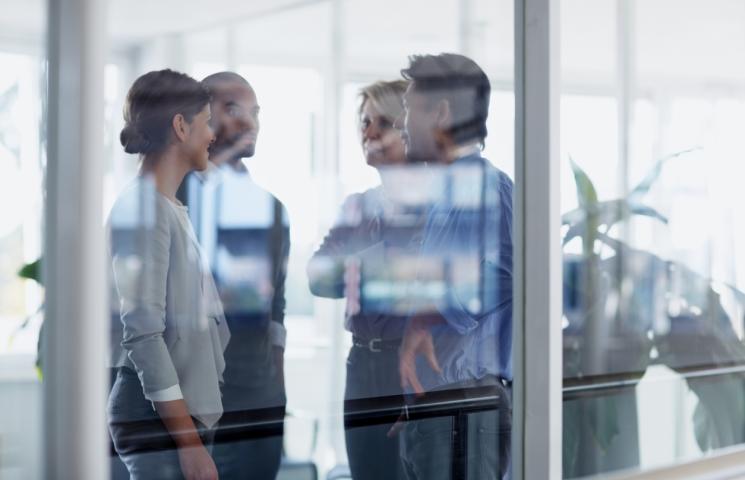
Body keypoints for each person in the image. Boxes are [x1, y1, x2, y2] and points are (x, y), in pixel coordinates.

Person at [393, 53, 513, 480]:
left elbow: (503, 277)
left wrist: (429, 314)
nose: (401, 123)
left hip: (467, 406)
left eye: (408, 108)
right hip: (437, 407)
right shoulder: (445, 191)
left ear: (441, 112)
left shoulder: (488, 186)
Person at [107, 69, 230, 480]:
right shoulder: (145, 209)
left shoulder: (164, 206)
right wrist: (189, 445)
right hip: (159, 421)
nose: (213, 133)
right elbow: (143, 333)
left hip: (176, 416)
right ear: (181, 126)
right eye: (206, 121)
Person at [307, 80, 419, 480]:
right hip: (361, 365)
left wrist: (353, 265)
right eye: (364, 121)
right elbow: (317, 277)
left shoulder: (433, 211)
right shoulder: (358, 206)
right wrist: (381, 262)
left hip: (407, 367)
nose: (368, 133)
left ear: (411, 131)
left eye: (383, 122)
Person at [184, 71, 289, 480]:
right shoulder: (175, 200)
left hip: (259, 401)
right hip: (196, 405)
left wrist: (277, 393)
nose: (249, 122)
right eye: (233, 110)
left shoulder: (273, 209)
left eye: (255, 112)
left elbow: (274, 311)